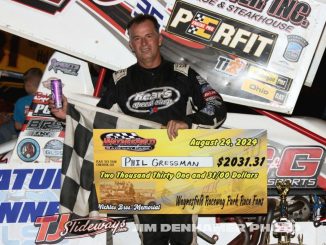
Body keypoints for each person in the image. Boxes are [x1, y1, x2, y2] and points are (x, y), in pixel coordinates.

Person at [50, 14, 226, 245]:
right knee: (152, 241)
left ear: (159, 39)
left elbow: (216, 105)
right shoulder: (120, 80)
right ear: (130, 45)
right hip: (139, 177)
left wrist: (189, 121)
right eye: (137, 39)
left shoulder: (184, 73)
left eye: (149, 36)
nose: (144, 43)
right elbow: (98, 122)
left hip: (181, 174)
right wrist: (69, 116)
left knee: (184, 240)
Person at [0, 68, 42, 144]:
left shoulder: (21, 102)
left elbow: (18, 126)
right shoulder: (51, 100)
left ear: (28, 85)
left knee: (3, 129)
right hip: (42, 135)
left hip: (24, 138)